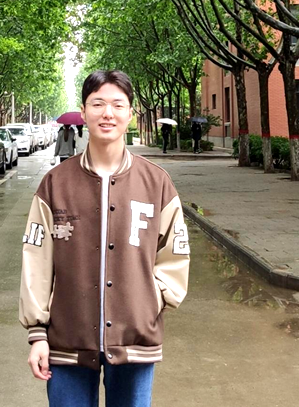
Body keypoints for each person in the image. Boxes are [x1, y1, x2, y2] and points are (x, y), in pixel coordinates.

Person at [19, 70, 190, 407]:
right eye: (97, 104)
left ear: (130, 114)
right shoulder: (55, 184)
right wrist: (38, 334)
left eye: (117, 104)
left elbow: (175, 253)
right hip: (67, 340)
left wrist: (150, 300)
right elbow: (36, 259)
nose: (107, 113)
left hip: (135, 341)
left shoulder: (156, 183)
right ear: (84, 112)